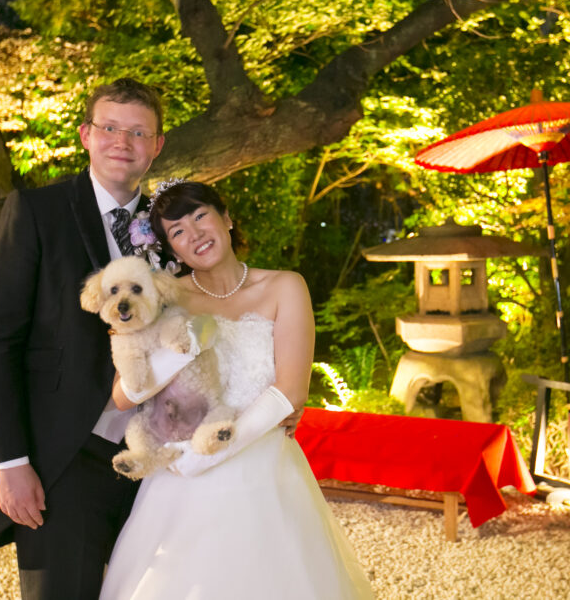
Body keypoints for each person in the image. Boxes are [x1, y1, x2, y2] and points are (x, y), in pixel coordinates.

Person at [98, 180, 375, 600]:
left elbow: (291, 391)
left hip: (261, 465)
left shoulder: (285, 287)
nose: (195, 234)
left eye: (200, 216)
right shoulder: (165, 298)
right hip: (178, 471)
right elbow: (123, 395)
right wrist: (179, 354)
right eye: (177, 231)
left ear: (226, 218)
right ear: (172, 250)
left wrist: (206, 457)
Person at [0, 78, 176, 599]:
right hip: (62, 457)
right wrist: (10, 462)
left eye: (138, 132)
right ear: (86, 135)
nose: (122, 142)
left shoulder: (171, 226)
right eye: (110, 128)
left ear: (157, 145)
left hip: (160, 458)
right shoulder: (35, 211)